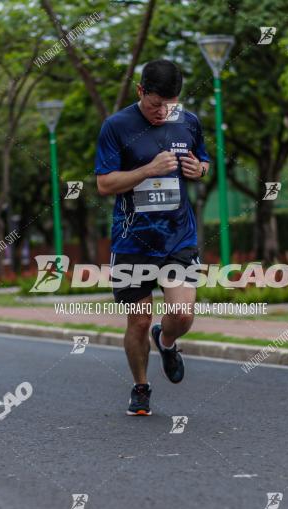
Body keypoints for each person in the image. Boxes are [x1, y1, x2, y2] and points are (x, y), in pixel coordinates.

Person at [95, 59, 211, 416]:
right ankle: (141, 387)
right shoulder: (116, 127)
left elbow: (203, 161)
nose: (162, 112)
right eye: (154, 104)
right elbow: (104, 184)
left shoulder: (188, 121)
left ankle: (168, 339)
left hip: (178, 237)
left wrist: (199, 169)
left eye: (169, 104)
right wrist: (148, 170)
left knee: (183, 314)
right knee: (139, 321)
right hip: (133, 242)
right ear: (140, 91)